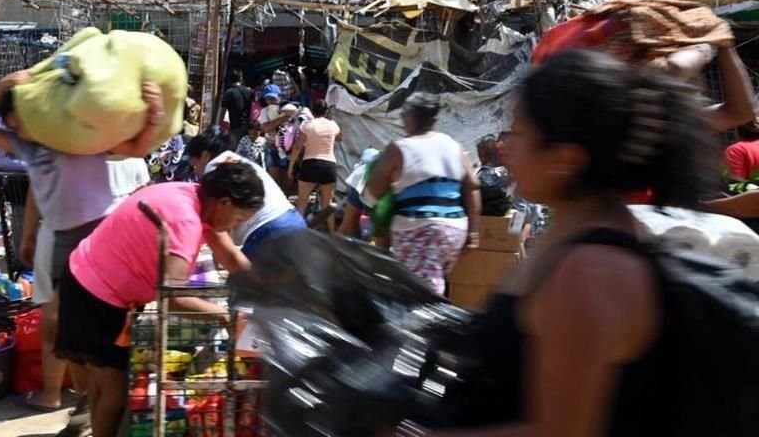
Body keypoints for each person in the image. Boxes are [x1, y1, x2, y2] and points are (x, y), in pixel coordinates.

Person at [398, 49, 715, 437]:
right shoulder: (576, 236)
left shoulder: (589, 272)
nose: (505, 146)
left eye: (518, 132)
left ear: (565, 159)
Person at [0, 70, 163, 436]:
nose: (19, 131)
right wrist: (2, 87)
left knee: (97, 331)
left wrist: (154, 111)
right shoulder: (32, 149)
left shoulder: (83, 141)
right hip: (62, 243)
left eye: (22, 122)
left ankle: (99, 405)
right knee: (69, 334)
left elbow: (136, 148)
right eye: (13, 126)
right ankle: (86, 402)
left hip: (102, 242)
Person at [56, 164, 264, 437]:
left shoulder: (194, 196)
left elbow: (232, 257)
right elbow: (172, 298)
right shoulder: (185, 222)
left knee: (101, 380)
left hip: (86, 276)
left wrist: (271, 293)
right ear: (224, 202)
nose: (236, 227)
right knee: (115, 394)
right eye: (238, 219)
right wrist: (225, 317)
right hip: (97, 294)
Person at [365, 92, 480, 294]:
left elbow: (373, 192)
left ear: (410, 116)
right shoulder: (453, 146)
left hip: (420, 231)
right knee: (428, 284)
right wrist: (473, 232)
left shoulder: (400, 148)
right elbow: (472, 186)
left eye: (403, 115)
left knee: (419, 294)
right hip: (454, 231)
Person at [186, 129, 305, 260]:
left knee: (244, 272)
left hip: (268, 230)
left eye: (194, 163)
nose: (195, 169)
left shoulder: (215, 168)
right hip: (293, 220)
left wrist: (221, 255)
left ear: (204, 155)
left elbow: (222, 214)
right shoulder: (236, 161)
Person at [287, 99, 342, 231]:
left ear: (312, 111)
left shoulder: (307, 125)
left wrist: (291, 166)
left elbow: (298, 146)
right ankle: (332, 234)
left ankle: (297, 233)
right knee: (327, 204)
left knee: (302, 202)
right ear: (326, 111)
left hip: (310, 164)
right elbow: (340, 138)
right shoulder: (333, 125)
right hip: (328, 165)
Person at [221, 70, 253, 142]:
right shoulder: (249, 91)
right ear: (241, 78)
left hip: (235, 126)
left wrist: (219, 124)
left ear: (230, 79)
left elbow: (223, 111)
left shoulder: (228, 93)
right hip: (248, 126)